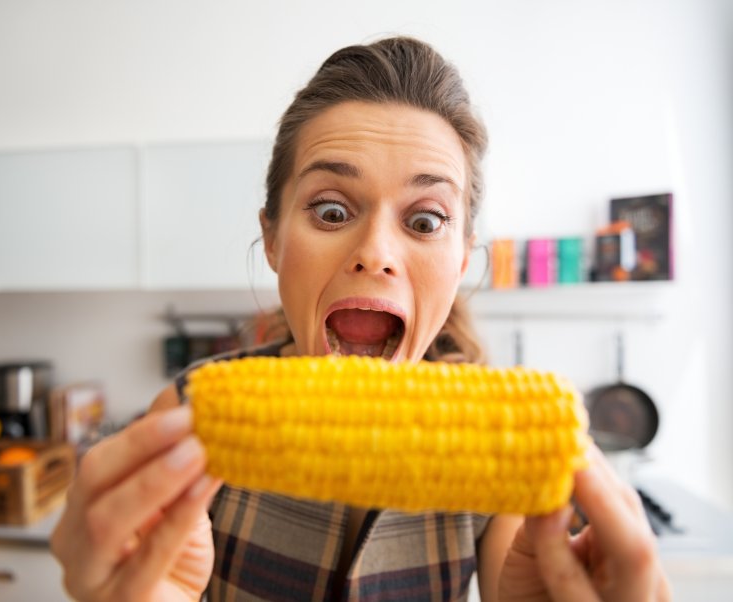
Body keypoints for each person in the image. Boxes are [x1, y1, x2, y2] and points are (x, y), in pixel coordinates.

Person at [51, 36, 670, 601]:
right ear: (272, 240)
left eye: (425, 221)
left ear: (459, 261)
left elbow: (527, 575)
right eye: (329, 211)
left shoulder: (512, 470)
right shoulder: (186, 416)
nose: (375, 252)